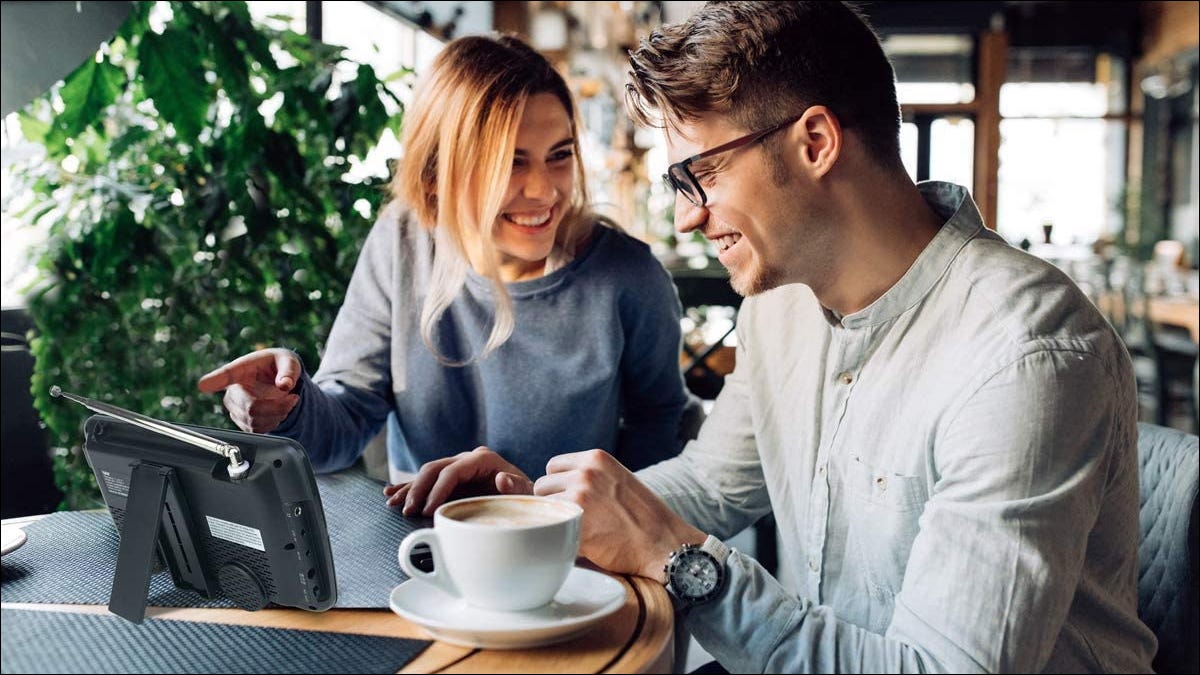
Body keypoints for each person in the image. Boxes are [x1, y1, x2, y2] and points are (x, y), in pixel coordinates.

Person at [395, 3, 1157, 673]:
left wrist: (679, 560)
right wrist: (536, 511)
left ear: (816, 141)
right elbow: (714, 483)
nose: (689, 216)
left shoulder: (1024, 359)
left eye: (702, 174)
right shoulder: (780, 302)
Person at [197, 35, 690, 495]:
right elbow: (341, 430)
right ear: (437, 176)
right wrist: (289, 406)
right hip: (424, 546)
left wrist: (581, 521)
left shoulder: (629, 277)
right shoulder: (403, 239)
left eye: (558, 156)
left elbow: (659, 428)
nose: (544, 191)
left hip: (570, 552)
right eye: (511, 162)